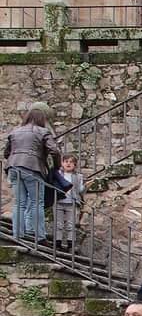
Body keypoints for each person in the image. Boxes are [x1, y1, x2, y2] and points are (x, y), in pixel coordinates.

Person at [4, 107, 59, 242]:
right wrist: (56, 167)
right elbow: (55, 151)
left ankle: (18, 234)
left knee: (19, 203)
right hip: (32, 167)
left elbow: (6, 153)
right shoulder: (43, 131)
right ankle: (39, 236)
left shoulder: (15, 131)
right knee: (36, 202)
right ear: (41, 119)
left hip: (13, 167)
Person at [53, 153, 85, 252]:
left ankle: (70, 244)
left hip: (71, 202)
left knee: (71, 224)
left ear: (75, 165)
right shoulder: (58, 174)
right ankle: (57, 243)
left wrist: (86, 186)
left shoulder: (78, 176)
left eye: (71, 162)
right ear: (62, 163)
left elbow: (80, 190)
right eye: (66, 161)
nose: (68, 164)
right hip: (58, 201)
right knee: (58, 223)